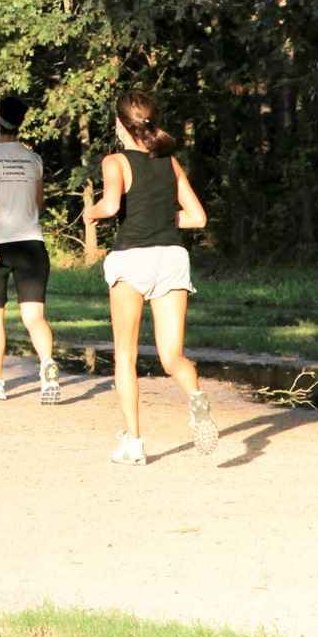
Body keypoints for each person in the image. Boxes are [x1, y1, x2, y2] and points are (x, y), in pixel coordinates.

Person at [83, 90, 215, 465]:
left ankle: (135, 444)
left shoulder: (115, 161)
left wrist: (91, 213)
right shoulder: (170, 162)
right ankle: (196, 400)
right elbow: (198, 218)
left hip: (133, 259)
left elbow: (110, 206)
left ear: (120, 125)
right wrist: (163, 219)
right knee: (172, 356)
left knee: (125, 355)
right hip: (173, 258)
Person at [0, 95, 60, 404]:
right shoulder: (33, 159)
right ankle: (47, 366)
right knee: (34, 316)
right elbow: (38, 204)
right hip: (32, 244)